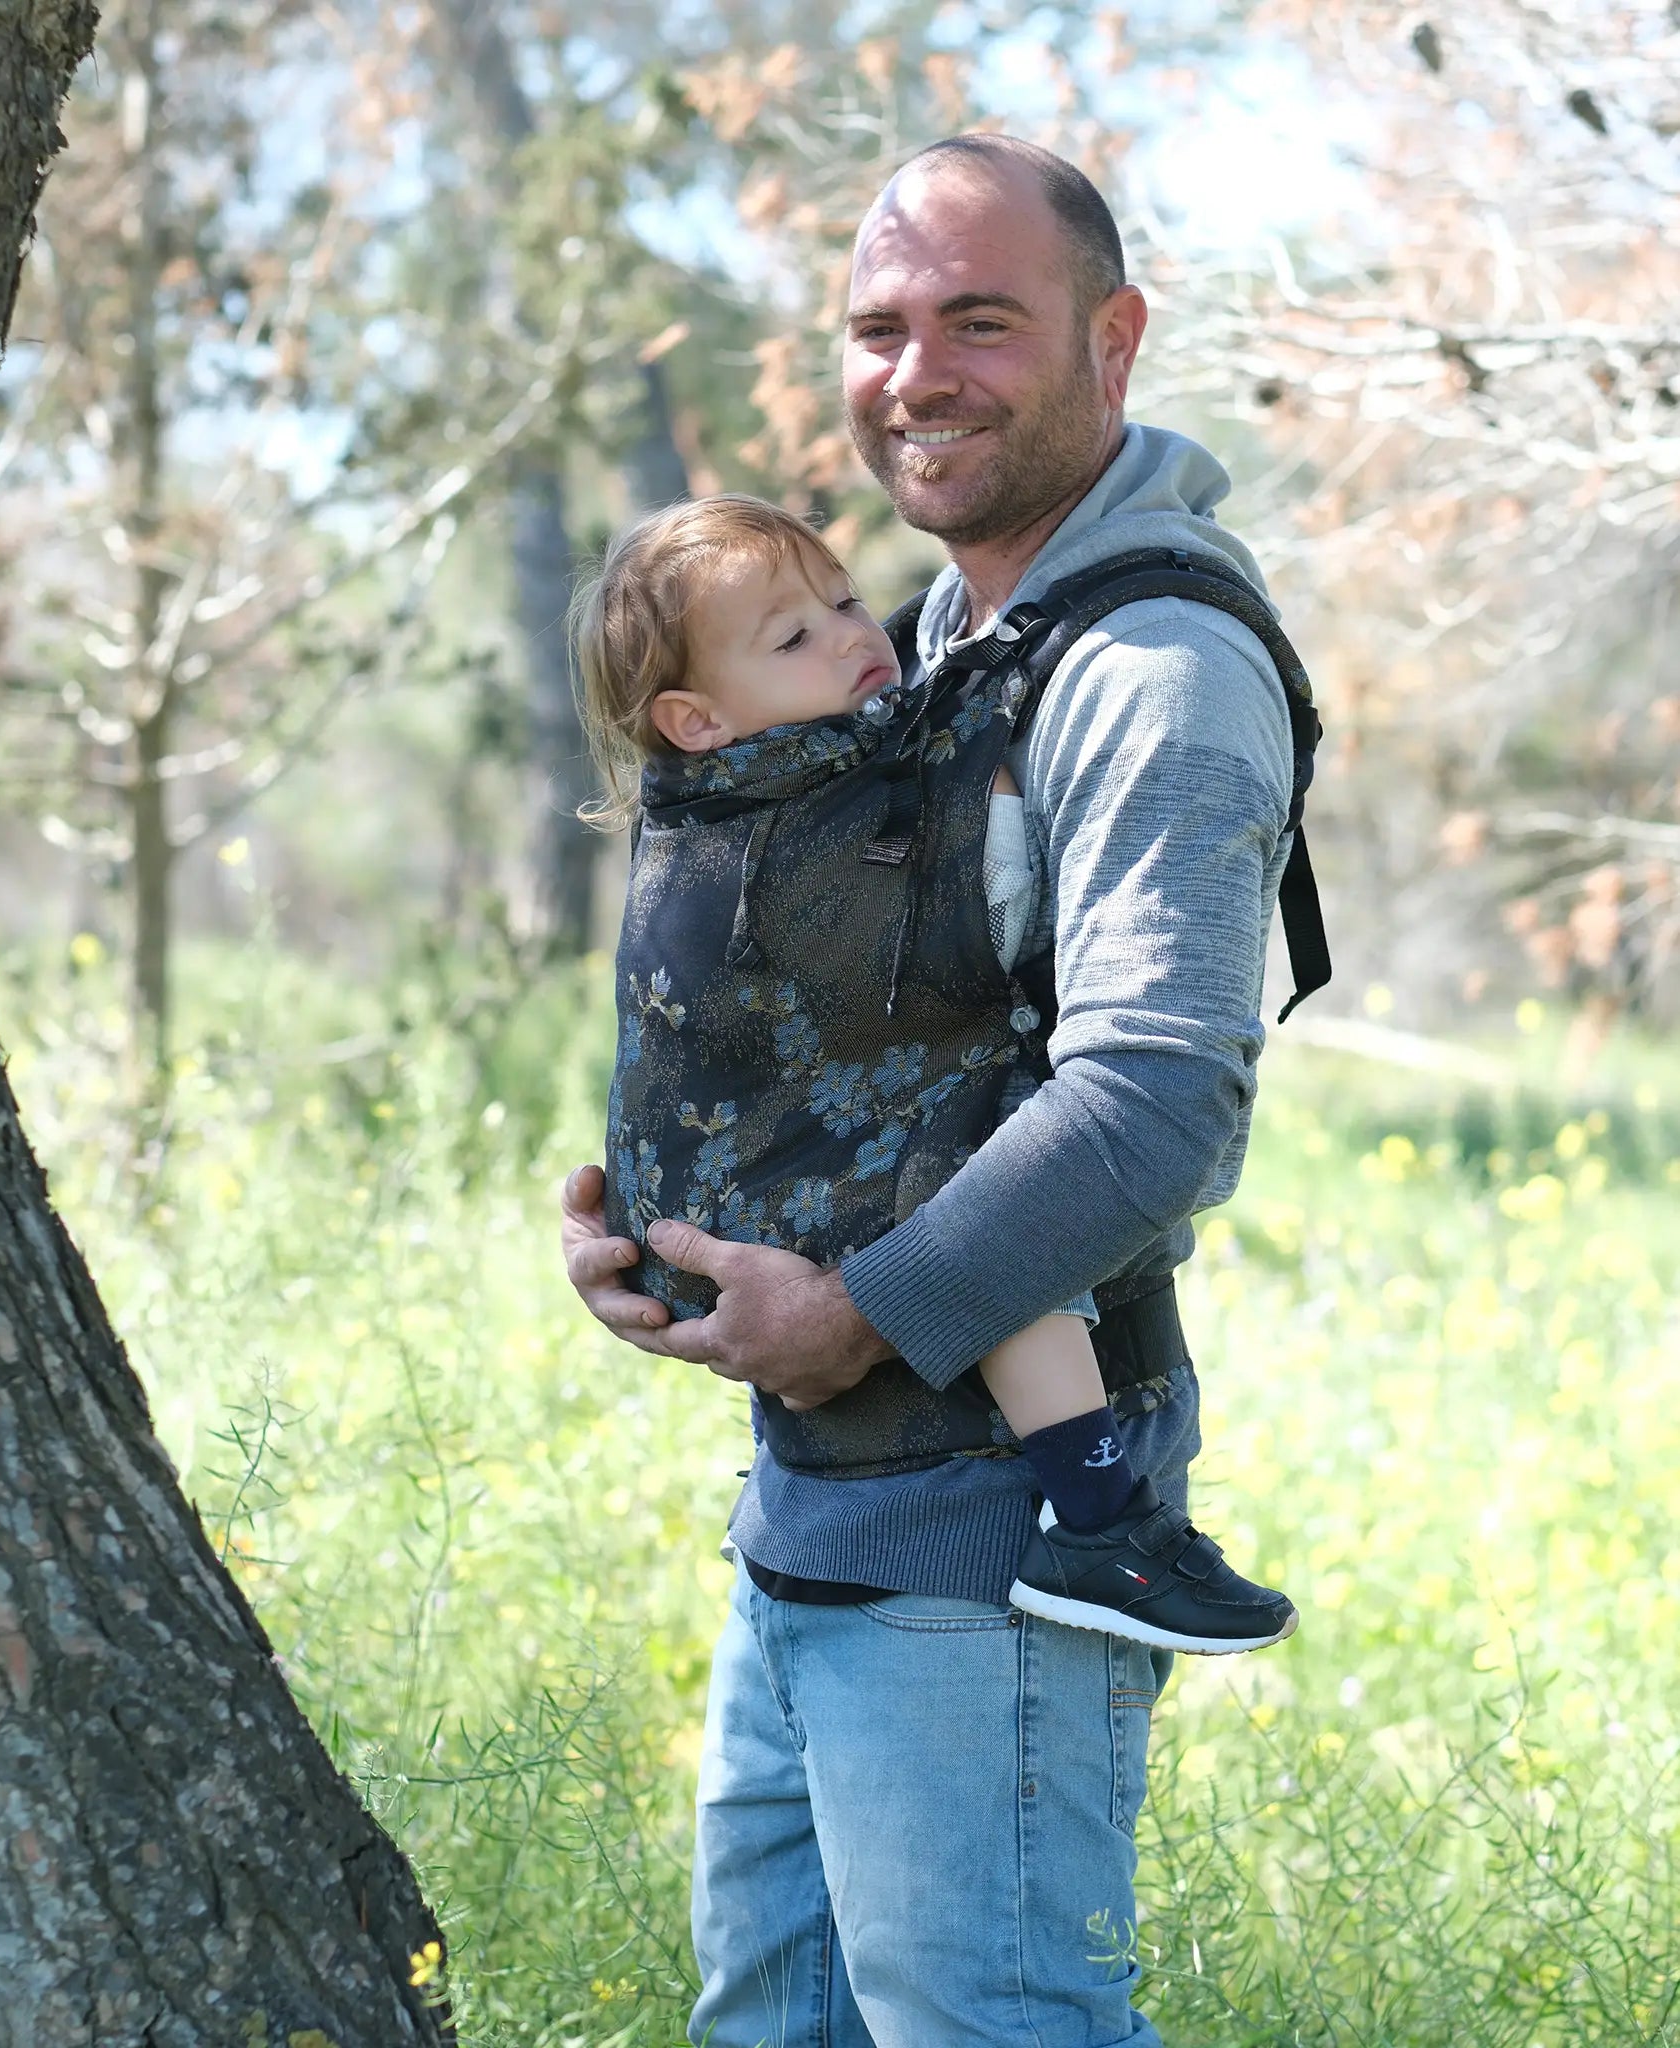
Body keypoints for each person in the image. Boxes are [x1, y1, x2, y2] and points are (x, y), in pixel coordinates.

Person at [562, 133, 1310, 2048]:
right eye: (879, 326)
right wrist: (670, 1211)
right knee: (775, 2022)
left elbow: (1155, 1103)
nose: (917, 374)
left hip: (996, 1544)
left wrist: (854, 1310)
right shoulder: (939, 637)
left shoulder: (1149, 667)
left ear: (1112, 341)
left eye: (981, 321)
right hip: (817, 1511)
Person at [574, 490, 1296, 1649]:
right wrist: (991, 794)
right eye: (794, 636)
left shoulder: (710, 799)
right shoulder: (797, 807)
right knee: (995, 1167)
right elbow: (977, 902)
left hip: (695, 1217)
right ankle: (1099, 1518)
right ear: (694, 718)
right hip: (770, 1244)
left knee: (988, 1162)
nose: (855, 637)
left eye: (844, 599)